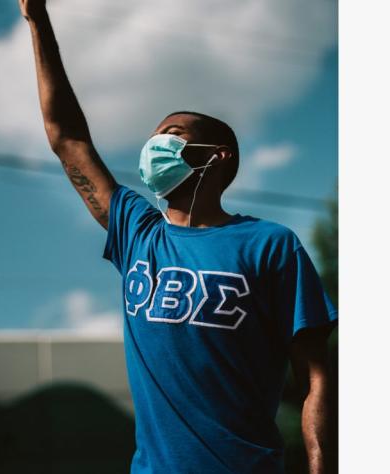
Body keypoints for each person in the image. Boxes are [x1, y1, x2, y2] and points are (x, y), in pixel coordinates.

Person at [18, 1, 338, 473]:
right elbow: (67, 137)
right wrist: (38, 21)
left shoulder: (271, 245)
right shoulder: (138, 232)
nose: (155, 146)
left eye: (172, 133)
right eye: (152, 138)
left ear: (219, 156)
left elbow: (315, 376)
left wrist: (320, 465)